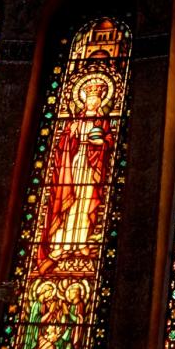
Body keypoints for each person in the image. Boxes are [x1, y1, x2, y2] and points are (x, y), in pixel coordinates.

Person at [38, 76, 114, 272]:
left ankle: (81, 242)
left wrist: (101, 144)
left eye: (96, 99)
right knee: (70, 202)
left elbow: (108, 141)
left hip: (91, 166)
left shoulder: (102, 121)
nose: (92, 101)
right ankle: (61, 244)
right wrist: (70, 133)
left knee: (86, 201)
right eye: (89, 98)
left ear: (100, 100)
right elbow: (63, 145)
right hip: (75, 163)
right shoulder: (76, 120)